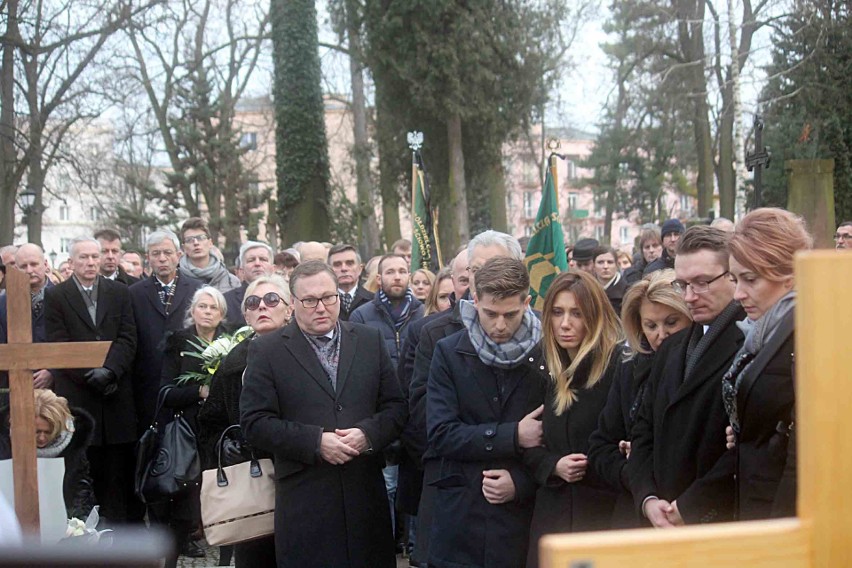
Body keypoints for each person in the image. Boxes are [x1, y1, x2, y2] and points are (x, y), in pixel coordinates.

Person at [240, 261, 407, 568]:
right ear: (293, 304)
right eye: (310, 300)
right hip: (306, 501)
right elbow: (255, 423)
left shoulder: (369, 341)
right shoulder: (267, 350)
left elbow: (396, 409)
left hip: (364, 499)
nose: (321, 307)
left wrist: (367, 434)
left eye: (329, 297)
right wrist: (316, 442)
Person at [425, 257, 547, 568]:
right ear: (474, 300)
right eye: (490, 314)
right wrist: (512, 435)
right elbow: (440, 434)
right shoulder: (449, 352)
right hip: (463, 521)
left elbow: (560, 442)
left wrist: (520, 483)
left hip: (526, 524)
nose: (500, 325)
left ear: (527, 302)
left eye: (511, 314)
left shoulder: (548, 353)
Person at [411, 231, 522, 564]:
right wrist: (507, 435)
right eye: (475, 270)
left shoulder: (542, 338)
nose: (484, 278)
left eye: (495, 266)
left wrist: (522, 479)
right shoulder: (434, 334)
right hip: (455, 494)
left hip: (519, 506)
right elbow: (423, 417)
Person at [628, 225, 744, 527]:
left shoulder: (751, 343)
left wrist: (692, 504)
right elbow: (644, 428)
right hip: (662, 516)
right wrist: (647, 498)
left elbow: (751, 444)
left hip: (719, 522)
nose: (690, 296)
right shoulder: (673, 347)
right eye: (683, 285)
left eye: (703, 283)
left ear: (732, 274)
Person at [524, 270, 622, 567]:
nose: (565, 323)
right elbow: (527, 441)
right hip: (552, 516)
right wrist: (552, 465)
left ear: (594, 316)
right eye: (557, 312)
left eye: (576, 313)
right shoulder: (540, 366)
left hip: (602, 516)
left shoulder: (619, 368)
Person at [719, 208, 812, 520]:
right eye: (734, 279)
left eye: (750, 279)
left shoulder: (809, 331)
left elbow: (806, 453)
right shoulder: (764, 330)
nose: (737, 293)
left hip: (783, 514)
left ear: (789, 276)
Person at [198, 275, 291, 567]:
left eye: (272, 299)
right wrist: (223, 446)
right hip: (253, 482)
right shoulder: (232, 363)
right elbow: (209, 421)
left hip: (301, 475)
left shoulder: (308, 352)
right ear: (246, 314)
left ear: (289, 308)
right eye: (253, 302)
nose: (262, 306)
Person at [45, 236, 138, 525]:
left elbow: (127, 336)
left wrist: (110, 370)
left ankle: (120, 529)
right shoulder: (57, 296)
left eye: (94, 257)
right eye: (83, 257)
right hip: (79, 393)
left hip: (115, 392)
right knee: (83, 466)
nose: (90, 262)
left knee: (118, 469)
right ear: (71, 262)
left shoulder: (119, 292)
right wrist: (89, 376)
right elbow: (59, 343)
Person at [588, 270, 692, 527]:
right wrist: (635, 471)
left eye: (671, 322)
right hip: (635, 512)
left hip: (687, 511)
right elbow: (600, 447)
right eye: (651, 325)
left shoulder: (698, 368)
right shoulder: (629, 367)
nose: (661, 335)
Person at [156, 286, 229, 561]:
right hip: (186, 433)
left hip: (220, 433)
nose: (207, 312)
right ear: (192, 311)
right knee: (183, 504)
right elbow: (165, 392)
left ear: (221, 314)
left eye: (213, 308)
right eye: (202, 306)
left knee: (223, 501)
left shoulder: (232, 343)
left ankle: (224, 560)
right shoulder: (178, 343)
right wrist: (198, 392)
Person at [129, 230, 203, 435]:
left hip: (186, 380)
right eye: (156, 254)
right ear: (148, 258)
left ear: (179, 256)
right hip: (147, 383)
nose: (162, 258)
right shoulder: (134, 293)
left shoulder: (197, 289)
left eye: (168, 253)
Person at [0, 389, 96, 519]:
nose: (42, 438)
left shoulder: (73, 444)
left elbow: (79, 488)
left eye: (49, 432)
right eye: (36, 431)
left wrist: (77, 523)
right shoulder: (4, 442)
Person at [350, 254, 424, 368]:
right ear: (379, 279)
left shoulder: (424, 313)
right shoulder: (361, 316)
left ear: (409, 277)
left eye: (402, 271)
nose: (397, 277)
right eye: (390, 272)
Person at [0, 244, 55, 395]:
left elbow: (72, 342)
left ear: (45, 264)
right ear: (16, 269)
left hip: (58, 388)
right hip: (16, 387)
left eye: (34, 264)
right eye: (23, 266)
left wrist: (52, 371)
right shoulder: (3, 303)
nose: (29, 270)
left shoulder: (65, 297)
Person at [178, 217, 240, 293]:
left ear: (210, 243)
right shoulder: (175, 280)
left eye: (201, 238)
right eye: (189, 240)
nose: (196, 243)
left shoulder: (231, 281)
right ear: (184, 248)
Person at [223, 241, 274, 326]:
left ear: (273, 269)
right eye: (251, 260)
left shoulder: (286, 297)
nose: (257, 263)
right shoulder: (227, 301)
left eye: (263, 259)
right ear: (242, 270)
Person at [327, 243, 373, 321]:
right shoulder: (323, 303)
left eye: (349, 263)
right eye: (337, 264)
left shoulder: (373, 301)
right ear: (329, 270)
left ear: (360, 269)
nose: (344, 269)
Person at [593, 246, 628, 314]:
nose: (605, 266)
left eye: (610, 262)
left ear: (617, 265)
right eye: (600, 262)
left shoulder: (628, 292)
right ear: (594, 265)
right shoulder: (587, 290)